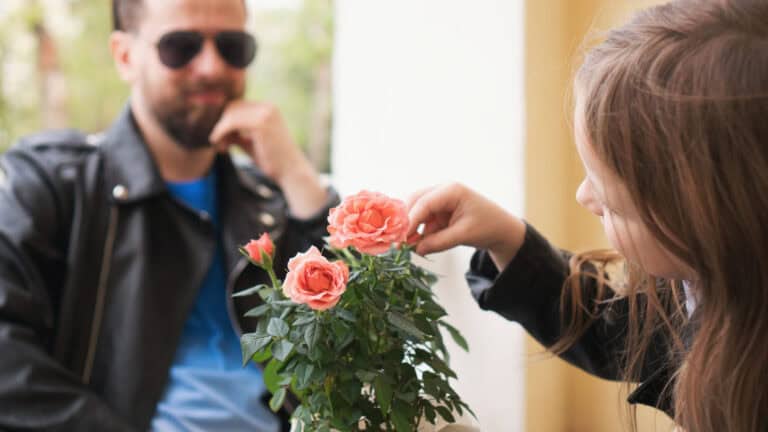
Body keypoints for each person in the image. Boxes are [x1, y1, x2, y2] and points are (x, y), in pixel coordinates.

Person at [407, 0, 768, 431]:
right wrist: (506, 238)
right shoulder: (704, 282)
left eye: (614, 203)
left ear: (710, 223)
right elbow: (607, 331)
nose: (583, 196)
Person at [0, 0, 336, 430]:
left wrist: (295, 173)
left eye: (233, 46)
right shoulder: (51, 185)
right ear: (125, 56)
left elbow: (352, 340)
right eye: (181, 46)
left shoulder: (269, 202)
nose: (212, 67)